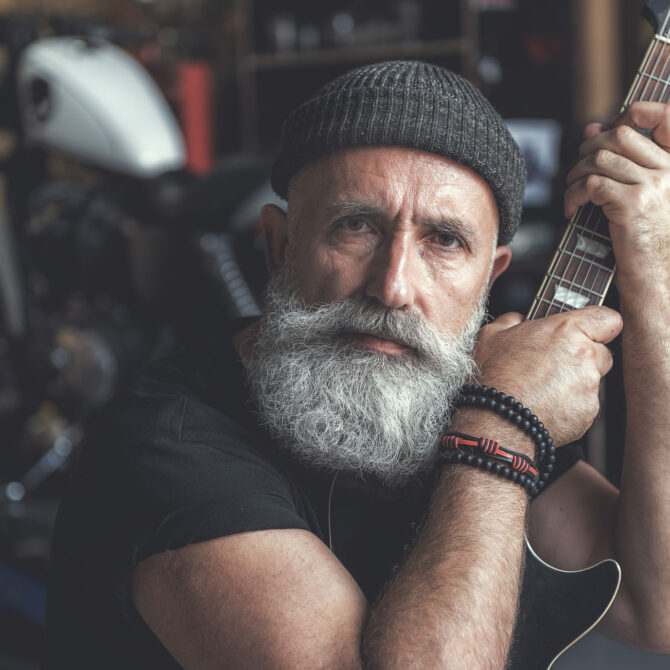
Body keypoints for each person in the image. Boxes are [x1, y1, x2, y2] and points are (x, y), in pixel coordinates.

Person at [45, 61, 670, 668]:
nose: (393, 286)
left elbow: (655, 608)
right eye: (356, 226)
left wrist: (650, 269)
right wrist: (502, 432)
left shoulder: (468, 382)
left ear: (489, 279)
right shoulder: (167, 444)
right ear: (279, 246)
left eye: (445, 240)